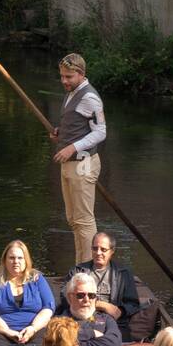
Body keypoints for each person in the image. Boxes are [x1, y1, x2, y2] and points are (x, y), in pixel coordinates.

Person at [50, 53, 106, 264]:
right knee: (73, 220)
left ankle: (88, 270)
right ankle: (80, 266)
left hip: (83, 164)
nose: (64, 81)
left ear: (81, 74)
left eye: (69, 77)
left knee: (84, 220)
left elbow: (101, 132)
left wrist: (72, 146)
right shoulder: (73, 92)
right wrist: (60, 133)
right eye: (62, 76)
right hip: (70, 164)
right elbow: (77, 124)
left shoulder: (90, 97)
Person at [58, 231, 146, 340]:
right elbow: (64, 297)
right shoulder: (77, 270)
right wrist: (100, 304)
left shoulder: (123, 273)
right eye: (95, 248)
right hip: (80, 321)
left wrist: (121, 311)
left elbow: (133, 304)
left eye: (103, 249)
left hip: (113, 323)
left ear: (112, 251)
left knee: (117, 341)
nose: (98, 253)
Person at [0, 240, 55, 346]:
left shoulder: (37, 280)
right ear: (4, 260)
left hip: (36, 329)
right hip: (1, 332)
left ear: (26, 260)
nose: (16, 261)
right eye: (11, 258)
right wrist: (8, 331)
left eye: (20, 258)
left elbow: (49, 307)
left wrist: (33, 328)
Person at [62, 270, 122, 346]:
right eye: (80, 295)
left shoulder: (106, 320)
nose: (86, 299)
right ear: (70, 297)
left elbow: (113, 343)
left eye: (91, 295)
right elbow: (60, 338)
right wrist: (92, 333)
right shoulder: (61, 320)